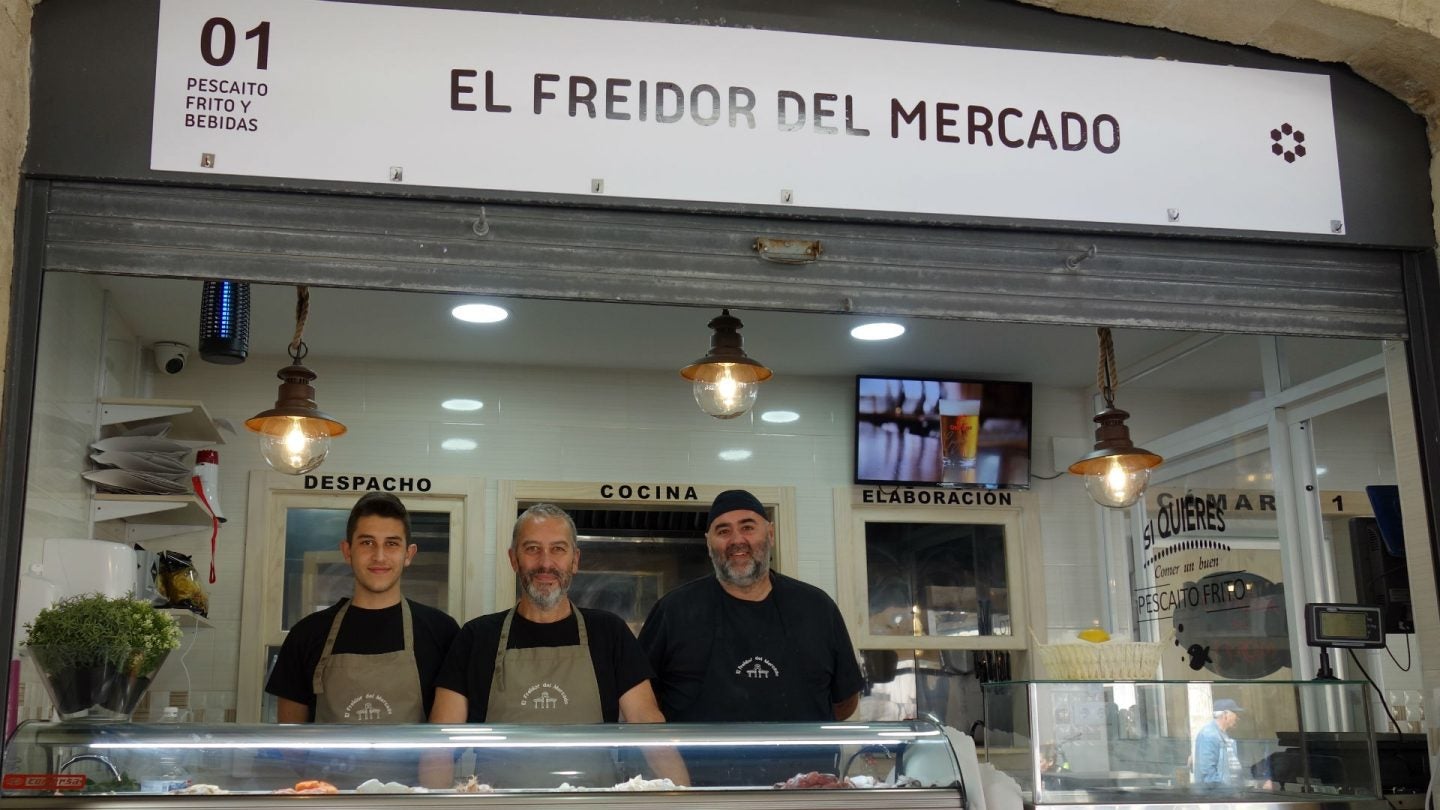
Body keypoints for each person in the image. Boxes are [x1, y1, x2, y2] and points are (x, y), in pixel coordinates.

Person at [426, 503, 683, 788]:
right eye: (532, 548)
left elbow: (652, 734)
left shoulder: (609, 633)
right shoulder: (476, 637)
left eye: (558, 549)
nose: (545, 563)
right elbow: (438, 749)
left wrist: (685, 803)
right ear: (513, 559)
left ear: (575, 560)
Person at [638, 490, 864, 785]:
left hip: (805, 792)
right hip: (702, 795)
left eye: (747, 527)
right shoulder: (674, 610)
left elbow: (845, 701)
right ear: (709, 543)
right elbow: (640, 707)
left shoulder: (816, 608)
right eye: (723, 531)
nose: (736, 541)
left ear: (770, 534)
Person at [266, 491, 459, 724]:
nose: (379, 556)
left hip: (412, 763)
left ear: (408, 554)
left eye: (391, 544)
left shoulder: (443, 633)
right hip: (330, 763)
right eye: (367, 542)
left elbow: (444, 746)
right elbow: (290, 749)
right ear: (347, 551)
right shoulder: (305, 635)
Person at [1193, 698, 1245, 786]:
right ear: (1225, 714)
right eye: (1235, 713)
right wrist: (1224, 792)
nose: (1237, 717)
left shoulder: (1223, 734)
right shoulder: (1209, 735)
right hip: (1216, 795)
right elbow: (1208, 774)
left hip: (1227, 793)